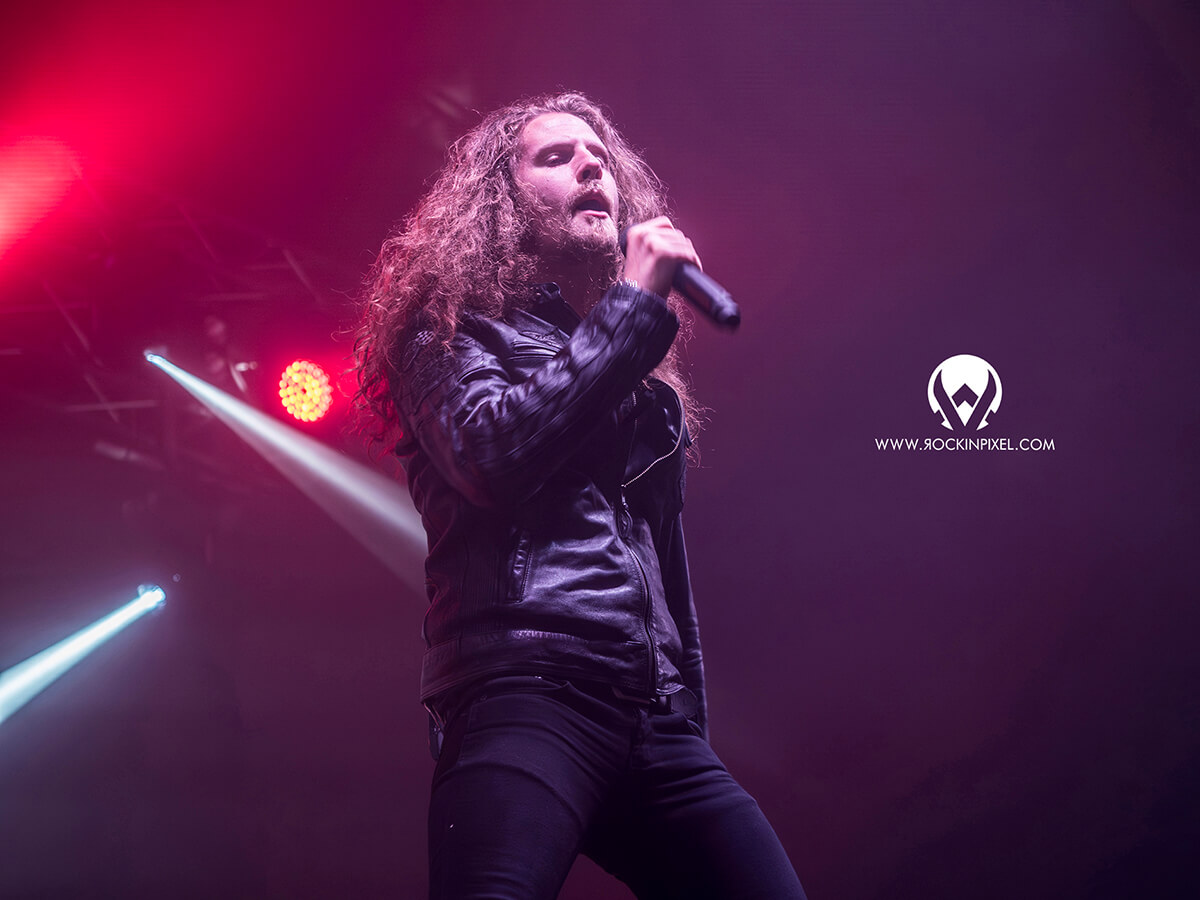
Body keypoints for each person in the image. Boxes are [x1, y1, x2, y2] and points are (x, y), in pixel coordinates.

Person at [355, 92, 806, 900]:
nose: (591, 167)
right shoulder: (449, 327)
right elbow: (489, 455)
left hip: (653, 712)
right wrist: (632, 309)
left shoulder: (619, 360)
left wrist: (687, 713)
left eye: (598, 157)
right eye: (557, 157)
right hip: (528, 688)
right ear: (501, 199)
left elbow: (663, 566)